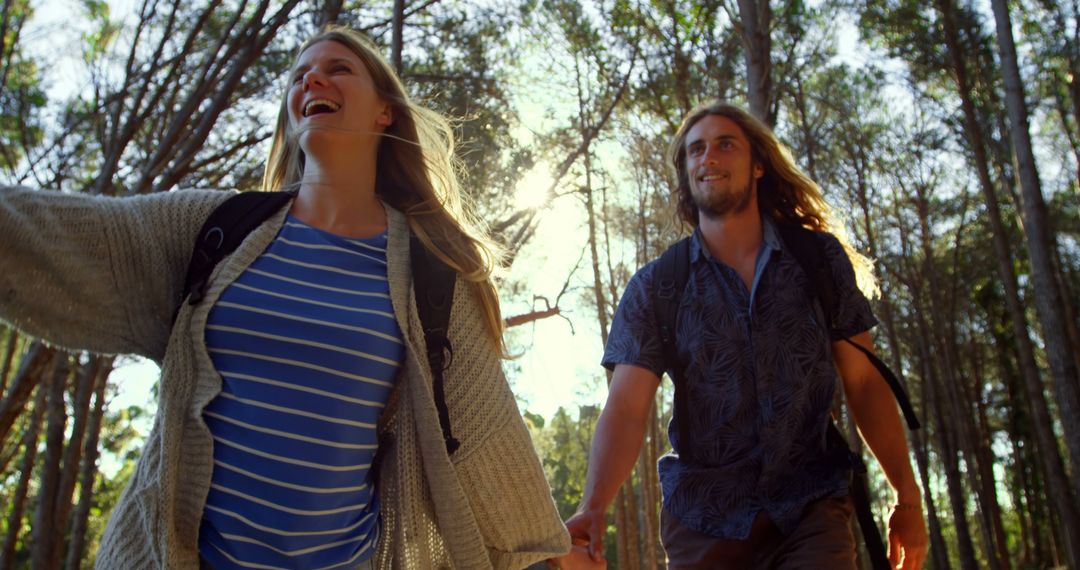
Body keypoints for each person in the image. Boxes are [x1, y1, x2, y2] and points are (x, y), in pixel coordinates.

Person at [0, 26, 576, 569]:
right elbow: (70, 237)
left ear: (384, 112)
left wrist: (547, 554)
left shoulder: (432, 272)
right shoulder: (216, 227)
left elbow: (486, 435)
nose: (311, 81)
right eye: (299, 75)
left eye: (338, 68)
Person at [561, 101, 929, 570]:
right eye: (695, 150)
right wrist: (592, 506)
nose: (707, 157)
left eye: (724, 144)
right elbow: (627, 408)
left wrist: (907, 495)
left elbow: (864, 383)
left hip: (811, 507)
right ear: (686, 173)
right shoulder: (658, 286)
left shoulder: (817, 260)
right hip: (703, 520)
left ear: (758, 164)